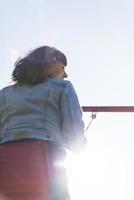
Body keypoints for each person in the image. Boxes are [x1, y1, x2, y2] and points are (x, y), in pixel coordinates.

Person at [0, 46, 87, 200]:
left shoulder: (5, 93)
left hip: (6, 160)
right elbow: (74, 133)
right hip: (45, 156)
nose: (65, 74)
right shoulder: (62, 87)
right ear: (49, 65)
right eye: (62, 67)